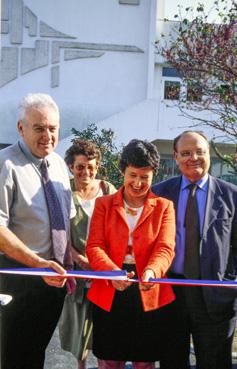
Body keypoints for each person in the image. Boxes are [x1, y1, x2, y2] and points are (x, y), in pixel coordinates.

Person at [0, 93, 76, 369]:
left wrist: (75, 262)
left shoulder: (57, 164)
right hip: (18, 277)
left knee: (36, 353)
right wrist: (37, 264)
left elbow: (65, 222)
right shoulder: (5, 164)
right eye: (39, 128)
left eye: (52, 128)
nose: (47, 135)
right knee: (13, 356)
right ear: (21, 128)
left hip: (52, 278)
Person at [86, 139, 176, 369]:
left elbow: (165, 247)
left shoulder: (165, 206)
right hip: (110, 288)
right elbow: (94, 246)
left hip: (148, 287)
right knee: (109, 361)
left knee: (144, 362)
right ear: (123, 171)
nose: (137, 183)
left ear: (154, 174)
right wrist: (112, 272)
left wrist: (152, 270)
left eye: (144, 177)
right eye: (132, 175)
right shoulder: (103, 204)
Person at [152, 131, 237, 369]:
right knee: (171, 361)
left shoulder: (231, 195)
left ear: (209, 154)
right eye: (186, 153)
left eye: (200, 151)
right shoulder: (159, 194)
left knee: (214, 363)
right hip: (170, 293)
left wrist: (230, 283)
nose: (194, 158)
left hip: (215, 294)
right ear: (176, 156)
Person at [59, 139, 116, 369]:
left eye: (91, 166)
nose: (87, 171)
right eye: (81, 166)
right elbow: (58, 233)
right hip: (77, 267)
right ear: (71, 167)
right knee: (79, 326)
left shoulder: (107, 189)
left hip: (104, 268)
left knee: (106, 325)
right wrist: (78, 258)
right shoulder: (64, 191)